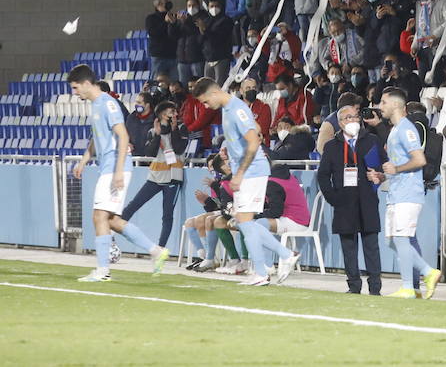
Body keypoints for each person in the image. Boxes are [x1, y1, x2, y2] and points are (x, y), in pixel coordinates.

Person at [190, 77, 300, 286]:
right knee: (243, 222)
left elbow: (253, 141)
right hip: (249, 170)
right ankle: (283, 255)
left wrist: (239, 173)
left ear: (213, 94)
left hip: (251, 171)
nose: (205, 106)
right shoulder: (230, 108)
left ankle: (262, 271)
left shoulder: (236, 108)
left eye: (205, 101)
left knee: (245, 222)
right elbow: (254, 129)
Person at [67, 65, 173, 281]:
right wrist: (84, 161)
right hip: (109, 168)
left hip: (116, 168)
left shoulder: (107, 103)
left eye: (76, 88)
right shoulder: (96, 105)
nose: (74, 93)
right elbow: (96, 139)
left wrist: (117, 172)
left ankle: (103, 271)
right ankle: (156, 251)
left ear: (87, 84)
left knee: (99, 216)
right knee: (112, 220)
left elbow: (123, 136)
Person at [373, 87, 441, 299]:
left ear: (395, 104)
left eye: (383, 102)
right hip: (396, 192)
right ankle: (428, 272)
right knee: (392, 241)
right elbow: (400, 162)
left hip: (409, 193)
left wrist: (396, 170)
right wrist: (385, 176)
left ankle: (408, 288)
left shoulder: (406, 128)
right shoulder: (395, 130)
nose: (379, 106)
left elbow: (420, 160)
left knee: (401, 239)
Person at [317, 102, 384, 294]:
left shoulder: (372, 140)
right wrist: (333, 197)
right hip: (344, 203)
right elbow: (323, 175)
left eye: (356, 117)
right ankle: (354, 286)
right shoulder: (331, 146)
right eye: (349, 118)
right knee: (349, 248)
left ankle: (375, 288)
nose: (354, 120)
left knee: (372, 247)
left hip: (367, 201)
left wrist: (380, 176)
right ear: (340, 123)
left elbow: (384, 166)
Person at [118, 100, 187, 250]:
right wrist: (157, 135)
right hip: (155, 177)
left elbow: (179, 149)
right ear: (162, 114)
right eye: (171, 111)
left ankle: (160, 249)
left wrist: (174, 129)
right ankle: (113, 231)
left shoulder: (182, 128)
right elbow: (150, 153)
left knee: (167, 215)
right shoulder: (152, 130)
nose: (175, 114)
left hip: (173, 178)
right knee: (133, 205)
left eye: (175, 111)